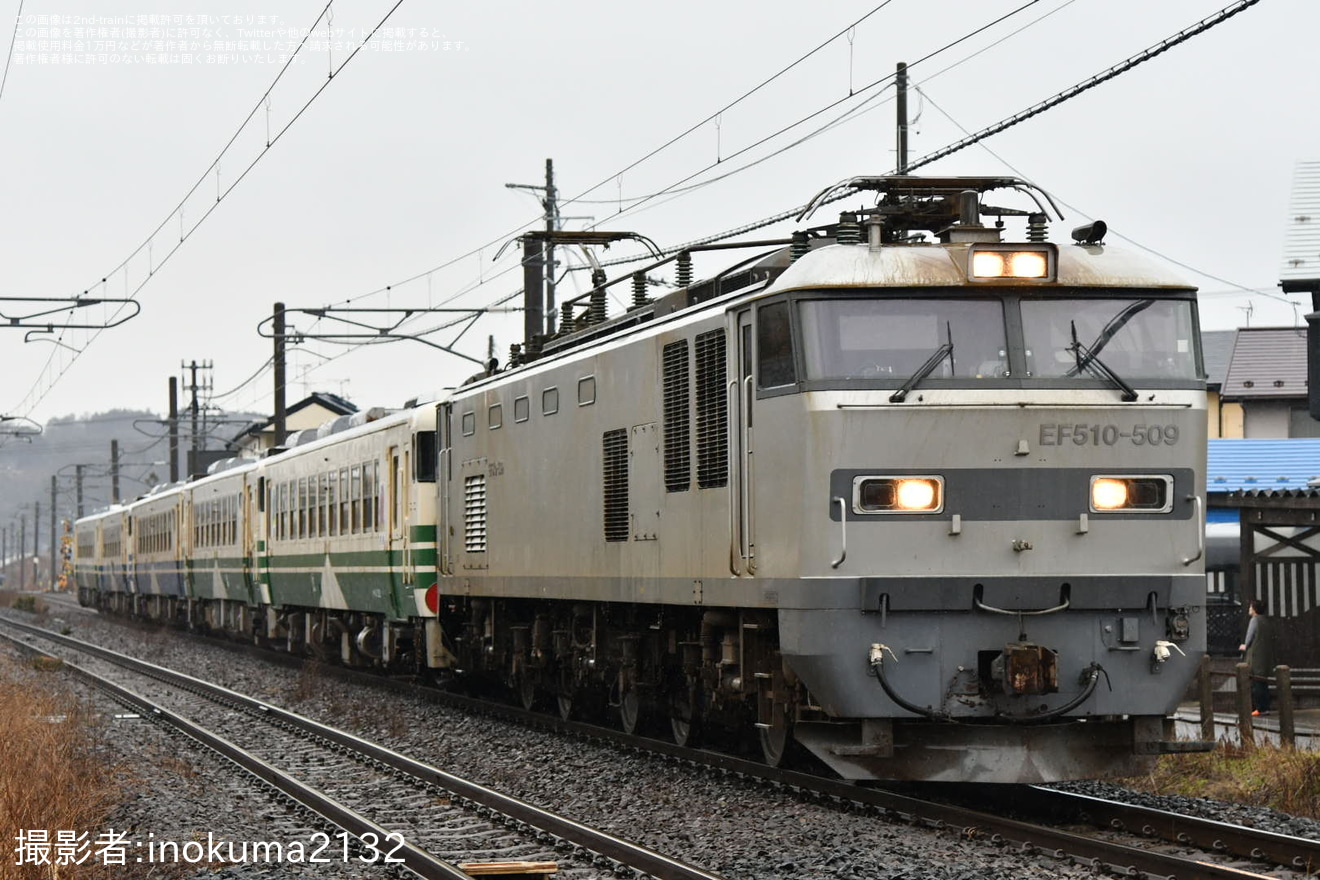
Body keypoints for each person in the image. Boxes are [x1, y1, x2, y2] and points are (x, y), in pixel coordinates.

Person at [1238, 599, 1275, 715]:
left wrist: (1245, 646)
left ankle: (1260, 708)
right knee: (1263, 682)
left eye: (1250, 607)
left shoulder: (1255, 620)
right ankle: (1265, 707)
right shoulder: (1266, 621)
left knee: (1256, 683)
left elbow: (1249, 637)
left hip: (1255, 656)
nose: (1249, 609)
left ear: (1254, 609)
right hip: (1264, 656)